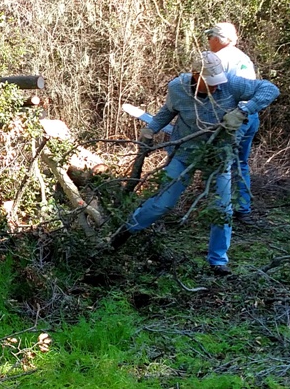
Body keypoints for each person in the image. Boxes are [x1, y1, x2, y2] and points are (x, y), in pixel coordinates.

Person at [111, 51, 279, 275]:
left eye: (216, 82)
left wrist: (243, 110)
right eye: (209, 83)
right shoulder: (177, 88)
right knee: (163, 202)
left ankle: (218, 261)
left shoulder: (232, 85)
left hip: (219, 155)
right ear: (195, 75)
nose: (213, 87)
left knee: (222, 208)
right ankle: (125, 231)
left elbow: (270, 89)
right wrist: (151, 129)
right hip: (184, 153)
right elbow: (167, 112)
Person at [205, 22, 259, 222]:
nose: (208, 40)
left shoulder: (216, 58)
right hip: (250, 115)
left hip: (233, 119)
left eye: (210, 36)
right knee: (241, 163)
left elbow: (211, 93)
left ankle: (221, 210)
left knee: (223, 164)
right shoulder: (242, 57)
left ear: (218, 38)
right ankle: (242, 207)